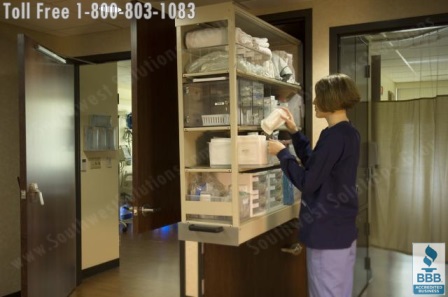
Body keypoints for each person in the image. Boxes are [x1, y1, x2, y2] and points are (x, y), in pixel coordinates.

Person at [267, 73, 361, 297]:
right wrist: (294, 132)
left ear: (332, 99)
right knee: (340, 291)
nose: (314, 101)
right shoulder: (347, 132)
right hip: (341, 231)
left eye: (319, 96)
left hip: (328, 235)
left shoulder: (334, 137)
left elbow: (308, 182)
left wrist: (282, 154)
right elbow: (316, 166)